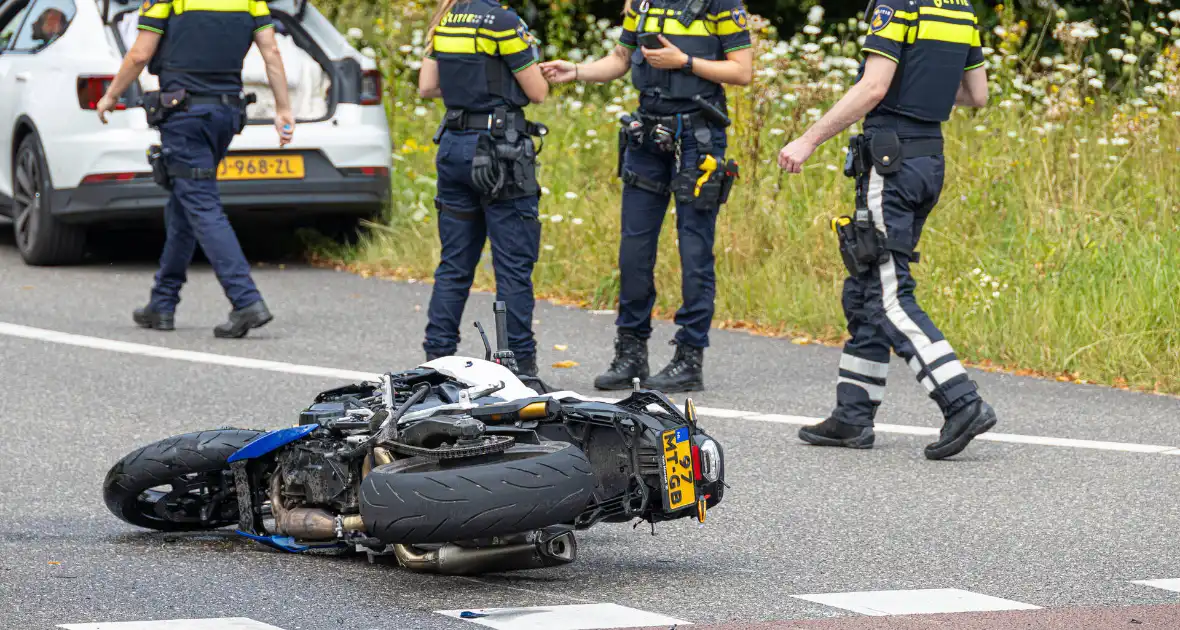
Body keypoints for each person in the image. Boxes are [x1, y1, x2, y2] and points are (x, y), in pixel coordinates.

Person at [778, 0, 994, 460]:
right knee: (866, 284)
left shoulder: (898, 6)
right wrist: (918, 93)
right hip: (928, 160)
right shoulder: (961, 10)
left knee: (887, 294)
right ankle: (852, 416)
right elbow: (977, 95)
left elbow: (873, 87)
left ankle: (961, 400)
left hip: (889, 164)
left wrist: (808, 138)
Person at [542, 0, 753, 393]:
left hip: (699, 137)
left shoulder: (720, 4)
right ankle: (631, 353)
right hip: (646, 137)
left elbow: (742, 71)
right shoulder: (641, 4)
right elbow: (621, 59)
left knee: (694, 249)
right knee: (634, 249)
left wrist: (685, 62)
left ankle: (689, 358)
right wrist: (575, 71)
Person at [96, 0, 294, 338]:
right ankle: (162, 302)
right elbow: (271, 52)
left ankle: (246, 300)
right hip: (227, 115)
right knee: (185, 203)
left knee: (201, 204)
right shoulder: (250, 1)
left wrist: (111, 96)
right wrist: (283, 109)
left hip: (186, 117)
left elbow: (140, 55)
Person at [417, 0, 550, 376]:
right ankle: (519, 366)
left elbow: (427, 86)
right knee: (513, 266)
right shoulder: (504, 22)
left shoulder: (445, 20)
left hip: (454, 146)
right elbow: (537, 92)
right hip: (499, 153)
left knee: (454, 263)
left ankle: (436, 360)